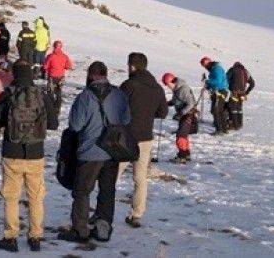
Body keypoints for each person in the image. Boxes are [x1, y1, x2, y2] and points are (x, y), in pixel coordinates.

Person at [0, 60, 59, 252]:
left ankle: (10, 238)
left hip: (12, 153)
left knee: (11, 197)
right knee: (36, 197)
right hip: (36, 154)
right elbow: (53, 124)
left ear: (14, 74)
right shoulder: (41, 95)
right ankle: (35, 237)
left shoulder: (7, 95)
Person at [59, 61, 130, 244]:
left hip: (90, 151)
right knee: (107, 190)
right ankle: (103, 228)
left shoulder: (85, 97)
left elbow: (75, 125)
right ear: (106, 74)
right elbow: (126, 119)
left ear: (90, 75)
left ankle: (80, 230)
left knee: (82, 191)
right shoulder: (119, 94)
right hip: (113, 151)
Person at [117, 53, 168, 229]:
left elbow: (116, 107)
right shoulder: (157, 88)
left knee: (112, 174)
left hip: (126, 136)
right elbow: (163, 113)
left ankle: (103, 211)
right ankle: (137, 214)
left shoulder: (129, 85)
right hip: (145, 137)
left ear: (132, 66)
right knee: (140, 178)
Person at [162, 73, 198, 163]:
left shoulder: (183, 89)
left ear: (171, 82)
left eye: (167, 84)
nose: (167, 87)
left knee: (180, 135)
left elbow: (191, 103)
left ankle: (183, 156)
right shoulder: (177, 89)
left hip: (188, 114)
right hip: (184, 114)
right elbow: (176, 101)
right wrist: (166, 104)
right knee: (183, 135)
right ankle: (186, 154)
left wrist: (181, 113)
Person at [201, 57, 230, 135]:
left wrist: (207, 82)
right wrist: (208, 86)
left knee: (215, 110)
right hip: (218, 92)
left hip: (220, 92)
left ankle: (220, 129)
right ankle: (224, 128)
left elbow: (217, 81)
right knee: (219, 111)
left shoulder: (217, 69)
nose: (206, 68)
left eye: (205, 66)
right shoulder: (214, 70)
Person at [42, 40, 72, 109]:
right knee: (59, 92)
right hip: (61, 77)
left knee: (50, 92)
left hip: (52, 77)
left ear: (54, 46)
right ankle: (57, 107)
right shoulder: (65, 56)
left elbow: (45, 66)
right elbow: (69, 67)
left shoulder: (50, 56)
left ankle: (50, 107)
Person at [226, 62, 255, 130]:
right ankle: (240, 124)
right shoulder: (246, 71)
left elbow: (225, 79)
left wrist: (228, 88)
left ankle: (234, 125)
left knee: (233, 108)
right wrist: (247, 92)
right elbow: (252, 83)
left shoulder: (232, 70)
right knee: (239, 108)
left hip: (234, 92)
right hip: (242, 93)